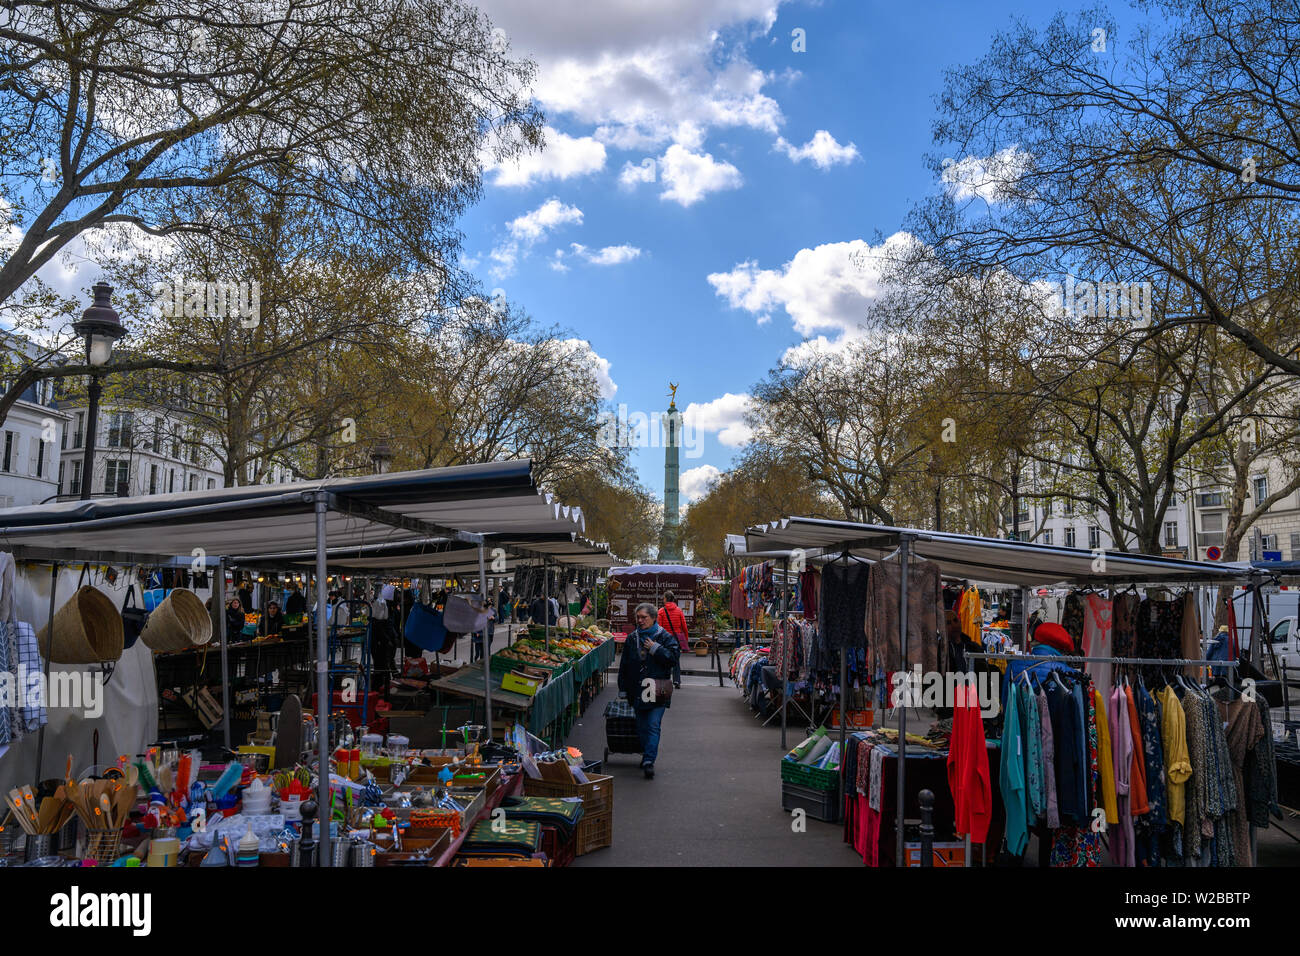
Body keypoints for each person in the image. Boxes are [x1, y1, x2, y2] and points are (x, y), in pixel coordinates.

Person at [617, 603, 680, 779]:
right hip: (637, 689)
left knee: (653, 725)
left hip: (657, 689)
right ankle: (646, 754)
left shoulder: (664, 637)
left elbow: (674, 658)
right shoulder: (632, 638)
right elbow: (625, 664)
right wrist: (622, 688)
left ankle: (649, 761)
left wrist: (656, 648)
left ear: (653, 618)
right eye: (638, 617)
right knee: (642, 727)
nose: (640, 620)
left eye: (644, 617)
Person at [657, 590, 690, 689]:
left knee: (664, 659)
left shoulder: (661, 611)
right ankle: (677, 681)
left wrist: (658, 641)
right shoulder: (679, 611)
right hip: (676, 639)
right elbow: (684, 627)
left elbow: (659, 628)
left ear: (666, 599)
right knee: (676, 660)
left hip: (665, 639)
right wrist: (685, 640)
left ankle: (665, 680)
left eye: (663, 598)